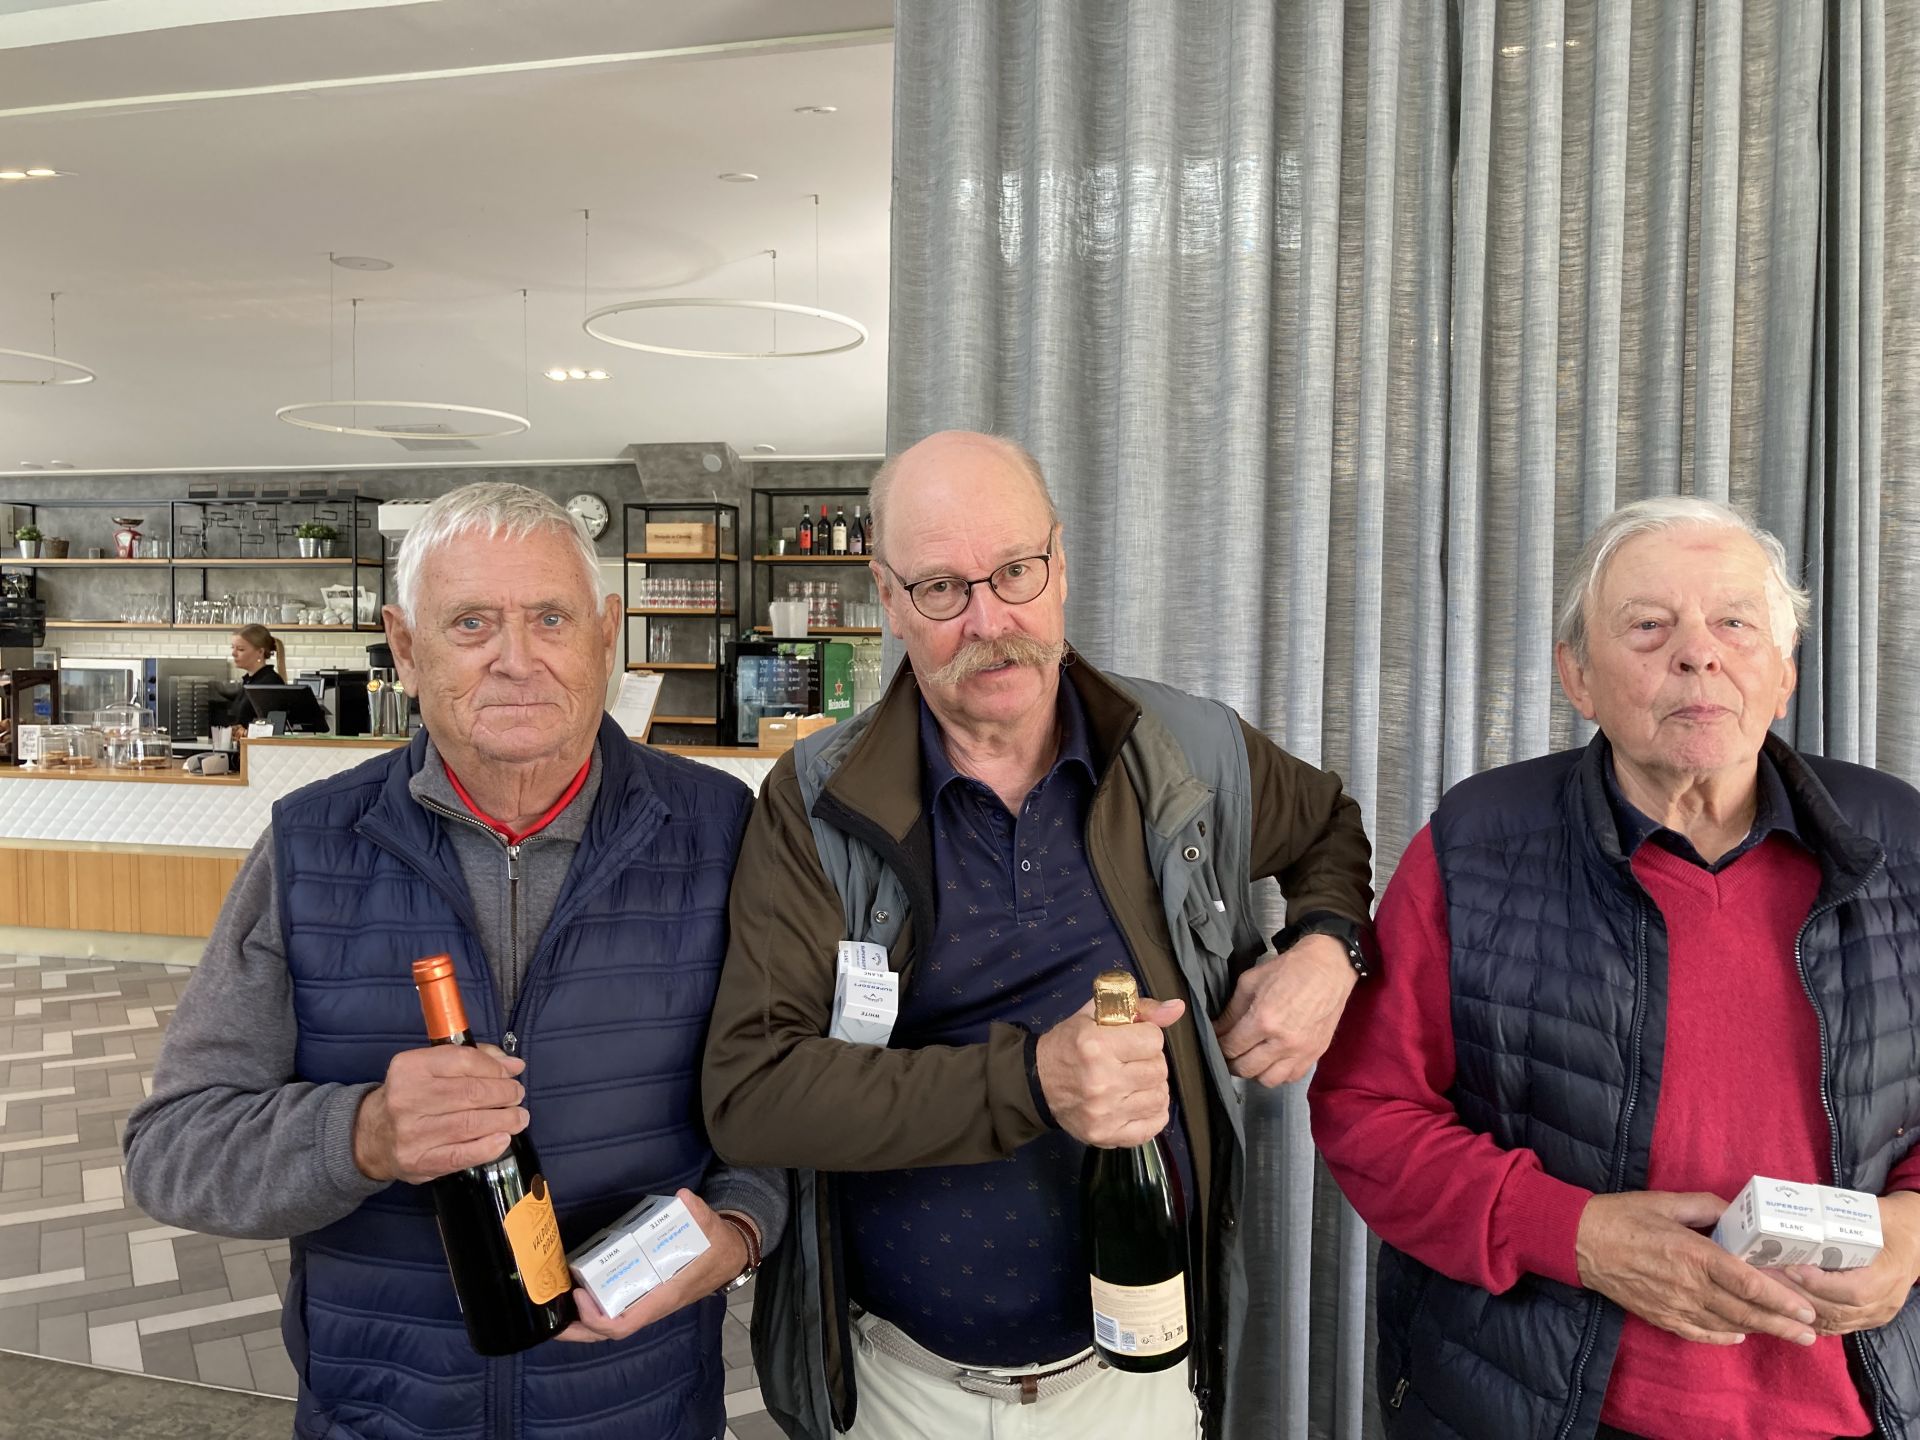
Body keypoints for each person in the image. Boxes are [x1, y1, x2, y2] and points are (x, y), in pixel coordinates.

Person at [701, 431, 1376, 1439]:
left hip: (1138, 1377)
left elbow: (1330, 829)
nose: (990, 621)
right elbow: (753, 1096)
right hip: (898, 1385)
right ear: (888, 598)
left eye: (1015, 571)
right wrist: (1031, 1082)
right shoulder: (814, 803)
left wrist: (1327, 950)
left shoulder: (1185, 750)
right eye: (942, 589)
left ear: (1059, 562)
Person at [124, 483, 784, 1440]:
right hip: (384, 1414)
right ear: (404, 647)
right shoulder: (310, 845)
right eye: (470, 622)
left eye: (551, 618)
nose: (516, 659)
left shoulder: (722, 832)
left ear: (605, 634)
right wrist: (363, 1134)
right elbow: (172, 1151)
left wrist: (744, 1229)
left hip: (641, 1408)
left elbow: (784, 1108)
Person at [1310, 496, 1920, 1440]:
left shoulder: (1900, 842)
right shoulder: (1477, 845)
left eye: (1734, 623)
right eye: (1648, 627)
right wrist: (1574, 1235)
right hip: (1537, 1406)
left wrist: (1912, 1232)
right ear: (1578, 676)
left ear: (1784, 672)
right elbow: (1365, 1111)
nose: (1697, 654)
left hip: (1862, 1409)